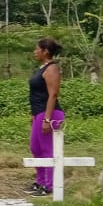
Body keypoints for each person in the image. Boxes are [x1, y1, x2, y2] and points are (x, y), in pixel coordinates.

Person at [27, 38, 65, 197]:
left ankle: (49, 185)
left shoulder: (52, 68)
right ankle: (40, 181)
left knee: (47, 149)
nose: (35, 52)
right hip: (39, 113)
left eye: (37, 49)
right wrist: (35, 115)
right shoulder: (42, 68)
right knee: (35, 148)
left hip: (50, 113)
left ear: (46, 51)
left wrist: (47, 119)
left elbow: (53, 94)